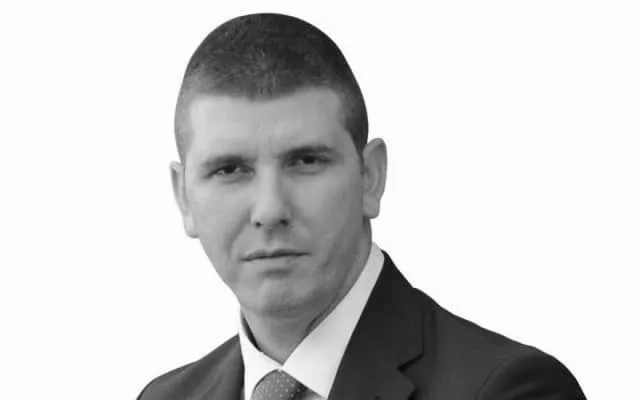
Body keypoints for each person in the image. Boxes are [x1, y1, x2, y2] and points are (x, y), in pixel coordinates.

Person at [137, 13, 586, 400]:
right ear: (183, 197)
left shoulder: (509, 389)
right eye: (230, 169)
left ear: (370, 177)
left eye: (306, 161)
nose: (270, 209)